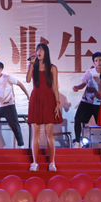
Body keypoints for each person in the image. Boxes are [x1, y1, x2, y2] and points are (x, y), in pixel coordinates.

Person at [26, 42, 62, 171]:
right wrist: (31, 64)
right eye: (38, 50)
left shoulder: (52, 68)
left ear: (46, 52)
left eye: (42, 50)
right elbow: (28, 80)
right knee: (35, 134)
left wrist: (57, 104)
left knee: (49, 134)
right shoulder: (33, 66)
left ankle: (52, 162)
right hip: (36, 99)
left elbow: (55, 87)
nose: (39, 52)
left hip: (48, 100)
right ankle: (35, 163)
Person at [71, 52, 101, 148]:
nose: (98, 62)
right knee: (77, 119)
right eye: (96, 60)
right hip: (87, 102)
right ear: (94, 63)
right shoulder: (89, 72)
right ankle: (77, 141)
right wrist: (77, 87)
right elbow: (83, 84)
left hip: (100, 103)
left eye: (100, 60)